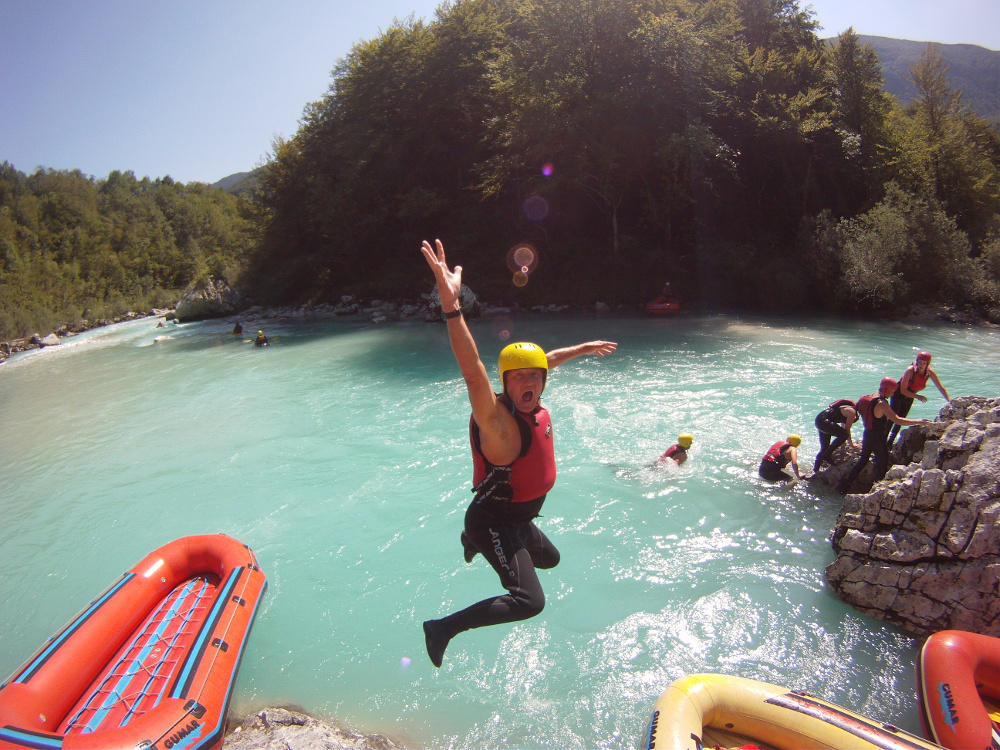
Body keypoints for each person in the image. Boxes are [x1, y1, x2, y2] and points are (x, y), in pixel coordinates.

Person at [419, 238, 618, 668]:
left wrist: (583, 349)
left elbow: (546, 360)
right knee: (530, 601)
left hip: (520, 515)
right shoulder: (498, 422)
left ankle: (475, 541)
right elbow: (472, 371)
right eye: (519, 378)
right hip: (496, 518)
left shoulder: (533, 391)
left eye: (536, 377)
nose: (529, 383)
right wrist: (452, 309)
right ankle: (442, 628)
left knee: (551, 558)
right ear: (506, 383)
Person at [840, 377, 931, 492]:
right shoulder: (882, 404)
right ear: (887, 390)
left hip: (867, 434)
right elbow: (898, 420)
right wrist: (920, 421)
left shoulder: (865, 398)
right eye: (893, 391)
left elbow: (857, 412)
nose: (893, 394)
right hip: (878, 437)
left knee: (863, 460)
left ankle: (844, 485)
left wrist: (850, 440)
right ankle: (877, 489)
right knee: (882, 462)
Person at [886, 351, 949, 447]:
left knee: (902, 418)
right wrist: (918, 397)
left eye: (924, 363)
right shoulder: (910, 370)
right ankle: (883, 439)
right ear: (917, 361)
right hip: (899, 393)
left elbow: (940, 387)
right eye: (919, 362)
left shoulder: (929, 372)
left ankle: (890, 442)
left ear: (927, 364)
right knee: (893, 418)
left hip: (911, 395)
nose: (921, 365)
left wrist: (950, 401)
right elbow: (903, 390)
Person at [813, 399, 858, 472]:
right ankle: (827, 455)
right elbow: (847, 430)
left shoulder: (844, 408)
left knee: (825, 447)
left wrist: (846, 442)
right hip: (824, 422)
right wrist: (851, 444)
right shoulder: (851, 412)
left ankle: (816, 469)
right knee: (844, 435)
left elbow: (843, 427)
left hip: (819, 420)